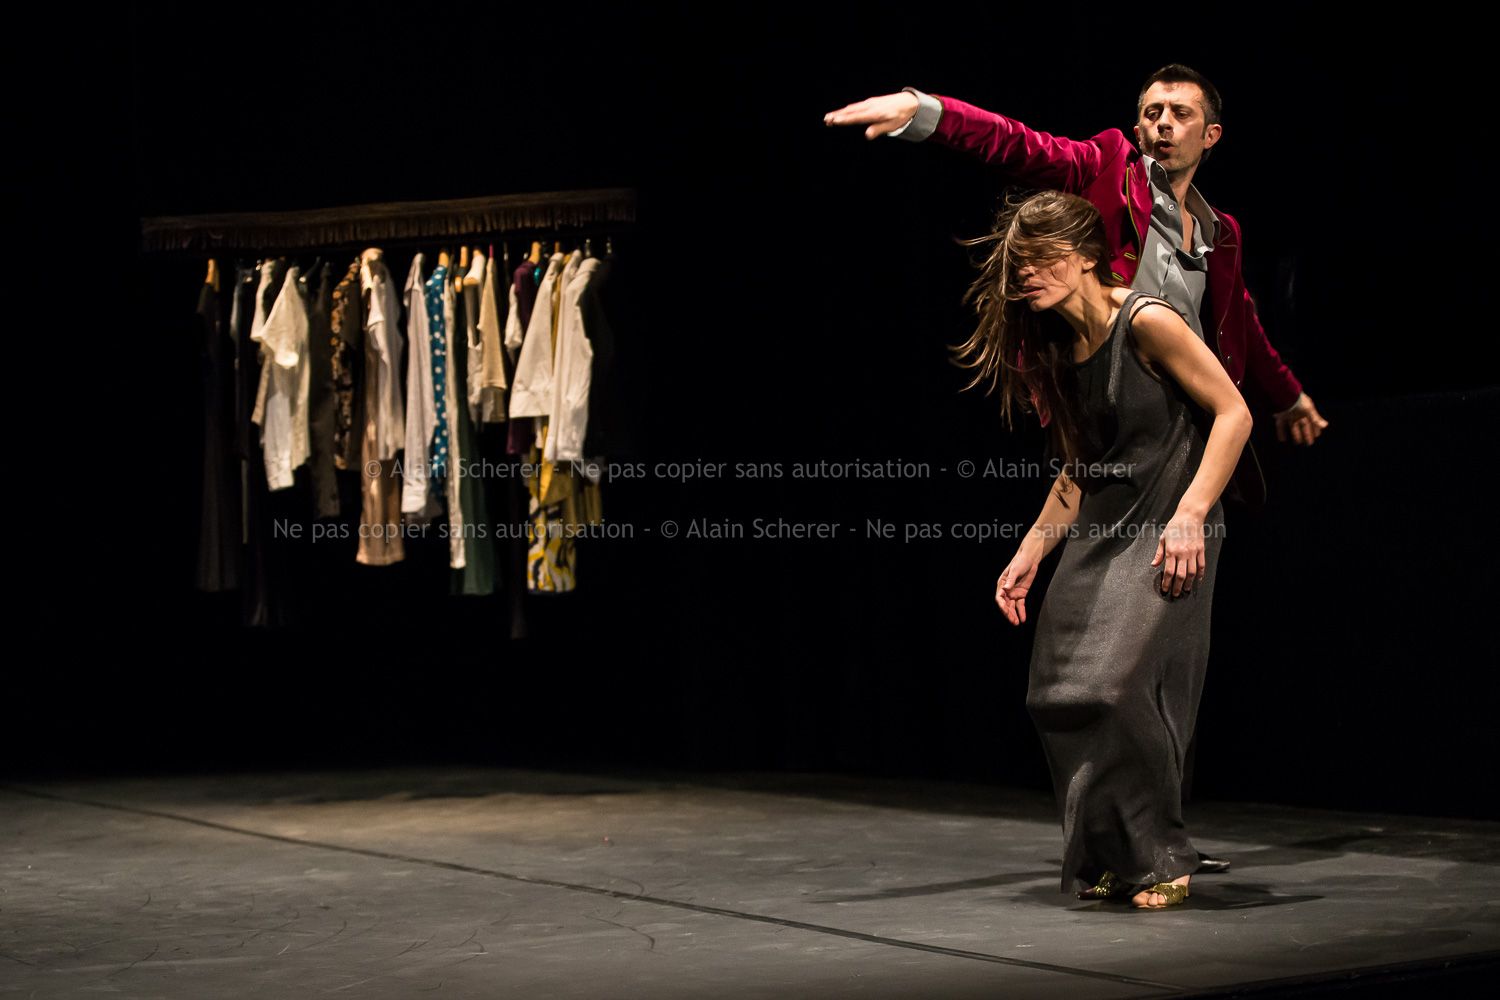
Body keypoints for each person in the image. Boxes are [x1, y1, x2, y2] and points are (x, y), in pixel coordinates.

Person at [825, 65, 1325, 874]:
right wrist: (927, 111)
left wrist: (1288, 395)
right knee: (1080, 677)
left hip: (1185, 442)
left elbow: (1242, 325)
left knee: (1157, 671)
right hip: (1113, 420)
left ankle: (1155, 842)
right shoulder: (1105, 167)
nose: (1160, 124)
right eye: (1150, 111)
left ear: (1210, 134)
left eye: (1179, 113)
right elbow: (1014, 144)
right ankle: (1126, 844)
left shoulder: (1218, 233)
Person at [960, 189, 1251, 908]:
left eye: (1041, 258)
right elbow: (1077, 469)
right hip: (1100, 527)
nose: (1026, 274)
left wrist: (1191, 514)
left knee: (1117, 688)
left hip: (1169, 525)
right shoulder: (1055, 350)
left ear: (1089, 255)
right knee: (1055, 690)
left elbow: (1233, 413)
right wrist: (1030, 553)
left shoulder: (1147, 321)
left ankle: (1162, 854)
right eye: (1019, 265)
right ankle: (1114, 856)